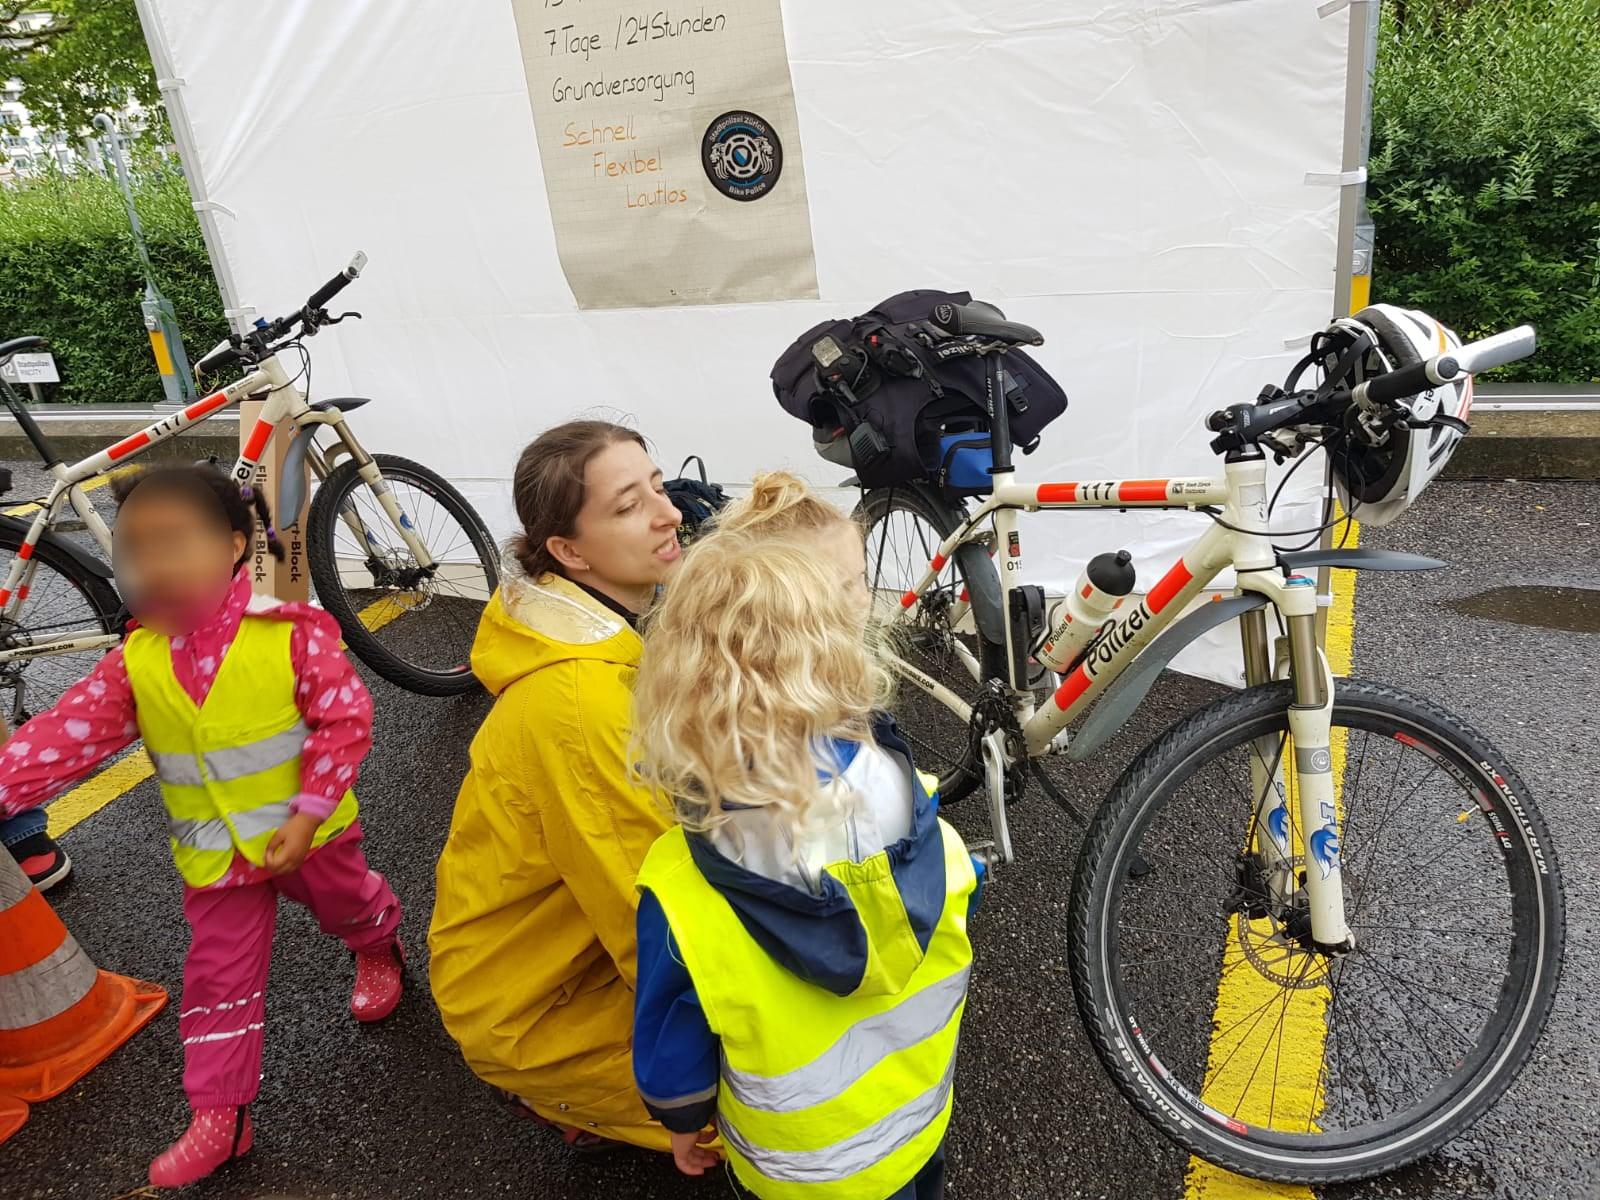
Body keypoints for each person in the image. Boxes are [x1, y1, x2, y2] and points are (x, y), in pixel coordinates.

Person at [0, 464, 403, 1189]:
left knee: (351, 907)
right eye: (132, 551)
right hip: (216, 861)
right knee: (217, 979)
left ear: (235, 546)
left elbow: (346, 722)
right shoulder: (137, 660)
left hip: (313, 840)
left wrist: (311, 812)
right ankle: (222, 1115)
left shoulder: (293, 634)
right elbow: (61, 738)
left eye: (172, 543)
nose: (150, 567)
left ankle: (380, 943)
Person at [630, 473, 982, 1200]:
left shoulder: (682, 881)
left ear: (679, 677)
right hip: (915, 1113)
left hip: (806, 1168)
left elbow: (674, 1029)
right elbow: (951, 899)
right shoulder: (902, 788)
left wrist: (679, 1118)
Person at [428, 420, 683, 1152]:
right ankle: (563, 1094)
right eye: (629, 506)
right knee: (803, 1100)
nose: (668, 514)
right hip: (537, 1008)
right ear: (569, 553)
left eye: (659, 487)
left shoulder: (595, 626)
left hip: (557, 962)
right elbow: (653, 917)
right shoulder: (580, 702)